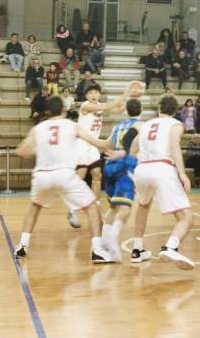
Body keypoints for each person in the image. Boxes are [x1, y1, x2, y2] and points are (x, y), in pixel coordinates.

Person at [13, 96, 116, 262]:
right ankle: (97, 250)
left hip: (42, 175)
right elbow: (99, 143)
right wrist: (112, 137)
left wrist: (41, 149)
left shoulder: (38, 128)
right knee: (92, 207)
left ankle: (22, 246)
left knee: (34, 207)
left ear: (47, 111)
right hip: (64, 174)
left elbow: (22, 151)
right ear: (65, 109)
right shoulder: (72, 125)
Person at [129, 94, 194, 269]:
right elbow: (174, 147)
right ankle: (170, 247)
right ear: (176, 111)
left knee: (143, 206)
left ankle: (137, 250)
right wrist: (182, 173)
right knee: (186, 217)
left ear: (159, 108)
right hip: (162, 168)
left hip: (142, 169)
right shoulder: (176, 124)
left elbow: (133, 150)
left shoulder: (145, 125)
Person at [66, 83, 130, 229]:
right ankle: (71, 209)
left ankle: (96, 209)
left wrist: (128, 103)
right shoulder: (86, 106)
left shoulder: (99, 105)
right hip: (82, 143)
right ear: (87, 96)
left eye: (96, 92)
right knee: (80, 175)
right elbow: (108, 107)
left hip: (93, 145)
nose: (94, 95)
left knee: (97, 175)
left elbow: (117, 111)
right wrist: (125, 94)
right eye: (91, 93)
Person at [99, 98, 145, 261]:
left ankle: (104, 245)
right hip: (125, 165)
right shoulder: (140, 125)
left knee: (113, 206)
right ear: (141, 110)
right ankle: (113, 236)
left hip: (109, 166)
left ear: (126, 110)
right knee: (125, 207)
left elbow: (105, 144)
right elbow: (131, 144)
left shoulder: (117, 126)